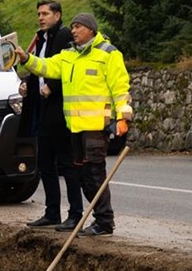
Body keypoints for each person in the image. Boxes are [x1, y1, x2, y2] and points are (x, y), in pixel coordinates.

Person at [14, 12, 132, 237]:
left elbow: (121, 89)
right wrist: (26, 59)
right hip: (75, 128)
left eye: (78, 27)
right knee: (81, 176)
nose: (74, 31)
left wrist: (123, 117)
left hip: (96, 128)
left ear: (90, 29)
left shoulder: (108, 54)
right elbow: (46, 67)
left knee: (94, 174)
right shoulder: (68, 55)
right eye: (73, 27)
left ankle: (104, 221)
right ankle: (101, 218)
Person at [17, 0, 83, 232]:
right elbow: (41, 67)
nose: (41, 18)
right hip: (43, 108)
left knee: (66, 163)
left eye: (45, 14)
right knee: (45, 162)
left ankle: (75, 213)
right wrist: (27, 83)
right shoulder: (40, 38)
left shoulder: (65, 36)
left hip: (60, 108)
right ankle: (52, 212)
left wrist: (52, 87)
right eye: (38, 14)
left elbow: (67, 68)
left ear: (58, 15)